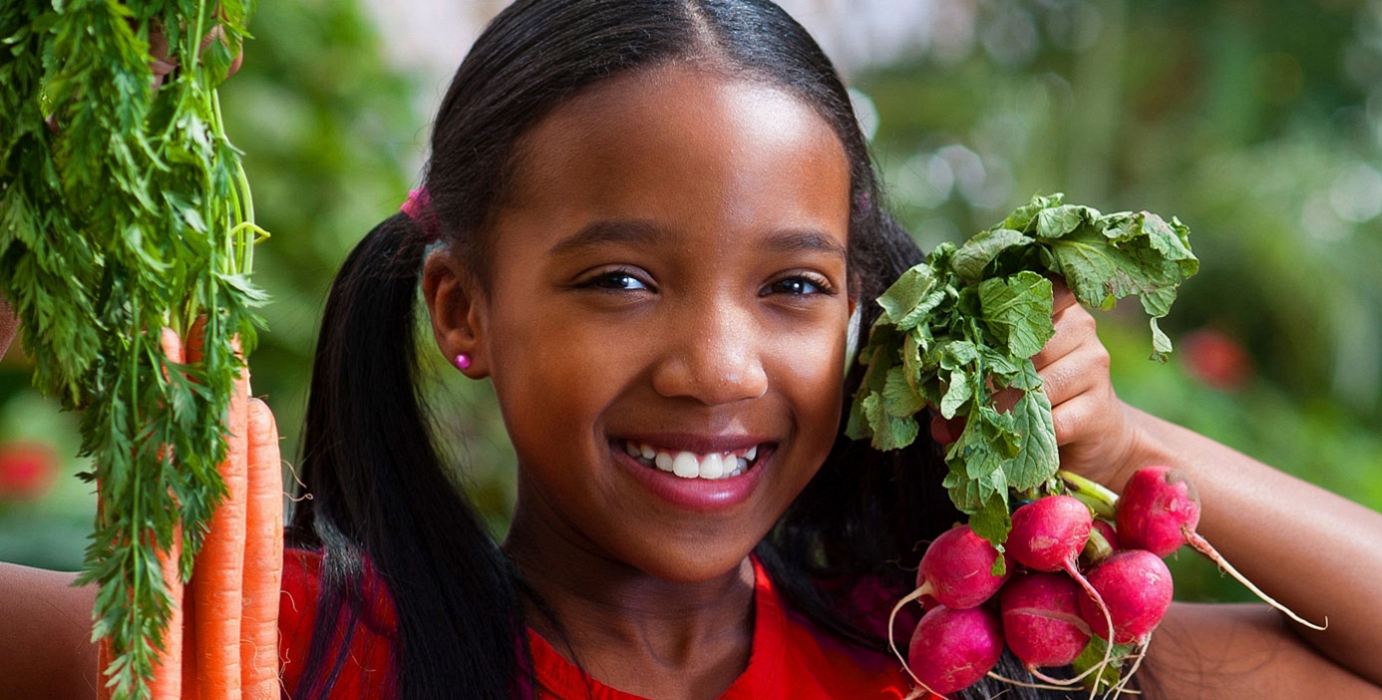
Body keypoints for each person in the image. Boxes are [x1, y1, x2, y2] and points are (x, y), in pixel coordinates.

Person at [4, 1, 1382, 698]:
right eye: (617, 278)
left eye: (792, 284)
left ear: (862, 310)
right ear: (461, 313)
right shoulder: (293, 655)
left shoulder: (933, 662)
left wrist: (1128, 449)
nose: (716, 364)